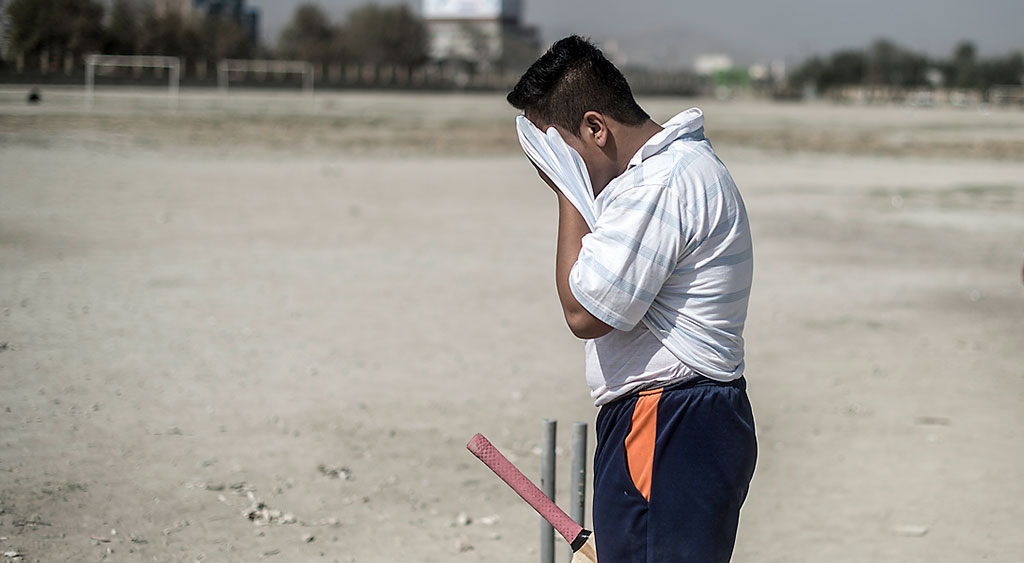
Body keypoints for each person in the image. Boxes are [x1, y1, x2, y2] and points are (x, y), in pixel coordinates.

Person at [506, 36, 757, 562]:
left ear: (596, 127)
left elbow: (585, 312)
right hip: (682, 420)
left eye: (559, 153)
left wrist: (566, 190)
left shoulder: (662, 183)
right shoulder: (673, 170)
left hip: (670, 420)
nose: (555, 169)